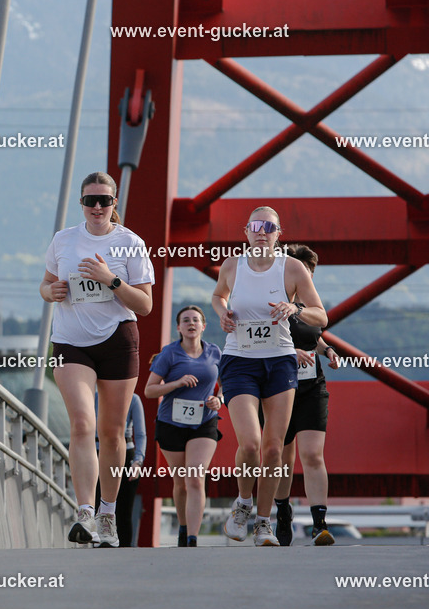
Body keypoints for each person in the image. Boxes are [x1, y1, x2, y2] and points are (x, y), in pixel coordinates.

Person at [41, 171, 154, 548]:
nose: (97, 207)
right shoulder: (64, 240)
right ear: (81, 203)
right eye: (90, 200)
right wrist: (51, 290)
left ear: (114, 203)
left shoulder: (130, 243)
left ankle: (109, 513)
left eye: (104, 200)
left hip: (118, 340)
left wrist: (111, 280)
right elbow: (45, 284)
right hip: (71, 342)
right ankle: (85, 512)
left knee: (111, 432)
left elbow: (146, 304)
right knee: (81, 424)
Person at [212, 207, 327, 546]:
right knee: (250, 443)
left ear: (279, 234)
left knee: (274, 451)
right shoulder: (232, 265)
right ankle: (243, 503)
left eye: (270, 227)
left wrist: (297, 308)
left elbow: (321, 316)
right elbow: (219, 295)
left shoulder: (291, 268)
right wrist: (222, 312)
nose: (262, 232)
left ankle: (264, 522)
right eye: (256, 226)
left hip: (279, 361)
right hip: (240, 360)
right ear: (246, 231)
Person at [270, 244, 340, 546]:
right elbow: (255, 340)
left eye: (310, 275)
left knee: (312, 454)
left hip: (312, 387)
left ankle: (319, 524)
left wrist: (327, 350)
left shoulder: (310, 309)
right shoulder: (274, 301)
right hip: (278, 386)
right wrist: (290, 352)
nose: (306, 280)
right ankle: (283, 512)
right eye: (302, 274)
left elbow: (314, 333)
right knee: (284, 458)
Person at [144, 305, 223, 547]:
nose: (191, 323)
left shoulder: (214, 352)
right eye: (186, 320)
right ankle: (183, 526)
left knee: (195, 477)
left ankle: (192, 538)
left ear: (203, 326)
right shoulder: (169, 354)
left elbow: (229, 382)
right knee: (181, 482)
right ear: (178, 327)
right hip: (171, 423)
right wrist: (176, 383)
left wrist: (218, 400)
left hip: (204, 422)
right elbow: (149, 390)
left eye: (195, 320)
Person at [93, 391, 147, 547]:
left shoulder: (133, 399)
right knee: (98, 505)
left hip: (125, 453)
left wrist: (138, 461)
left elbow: (141, 434)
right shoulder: (93, 397)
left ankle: (125, 550)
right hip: (97, 452)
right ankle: (99, 546)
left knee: (124, 511)